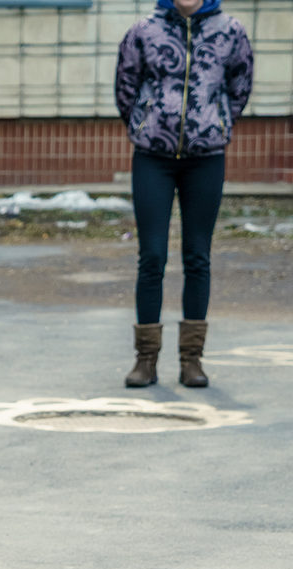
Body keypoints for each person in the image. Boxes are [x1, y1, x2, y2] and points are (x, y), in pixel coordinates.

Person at [116, 0, 253, 389]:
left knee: (197, 256)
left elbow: (240, 85)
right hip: (152, 158)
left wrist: (218, 122)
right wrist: (144, 123)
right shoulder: (143, 30)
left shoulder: (231, 31)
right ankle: (145, 360)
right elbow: (126, 86)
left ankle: (191, 360)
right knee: (152, 256)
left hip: (205, 158)